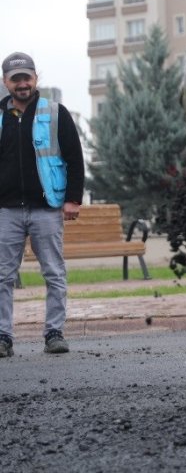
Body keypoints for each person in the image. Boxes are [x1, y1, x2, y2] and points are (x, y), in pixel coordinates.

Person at [0, 52, 85, 358]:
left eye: (27, 77)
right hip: (7, 210)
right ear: (5, 82)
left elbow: (74, 157)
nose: (22, 83)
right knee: (2, 276)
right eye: (16, 79)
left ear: (36, 78)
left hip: (46, 208)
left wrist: (73, 199)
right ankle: (3, 337)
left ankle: (54, 333)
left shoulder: (55, 112)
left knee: (53, 272)